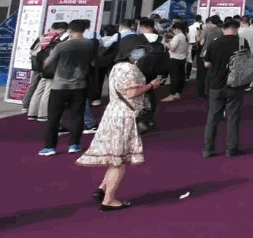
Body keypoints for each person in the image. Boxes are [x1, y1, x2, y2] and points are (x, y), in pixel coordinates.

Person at [78, 45, 160, 212]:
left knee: (115, 156)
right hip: (124, 116)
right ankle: (108, 200)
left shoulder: (117, 67)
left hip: (113, 112)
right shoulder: (131, 69)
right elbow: (131, 93)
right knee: (119, 160)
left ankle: (103, 189)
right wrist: (151, 85)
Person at [40, 20, 95, 157]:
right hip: (80, 85)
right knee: (78, 116)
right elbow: (93, 63)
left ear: (70, 30)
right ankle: (74, 144)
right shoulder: (90, 44)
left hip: (59, 85)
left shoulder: (62, 46)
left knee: (54, 117)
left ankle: (50, 147)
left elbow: (47, 63)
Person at [202, 19, 245, 158]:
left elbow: (206, 64)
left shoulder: (214, 43)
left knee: (212, 117)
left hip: (216, 84)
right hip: (235, 84)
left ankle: (208, 149)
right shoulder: (242, 43)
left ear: (223, 29)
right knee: (233, 118)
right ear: (236, 29)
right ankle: (231, 149)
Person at [162, 20, 189, 102]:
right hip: (182, 58)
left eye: (174, 29)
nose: (174, 30)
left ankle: (172, 94)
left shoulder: (178, 37)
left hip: (174, 59)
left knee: (174, 78)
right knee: (180, 76)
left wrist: (166, 43)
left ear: (178, 29)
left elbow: (172, 49)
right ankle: (177, 93)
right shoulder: (186, 35)